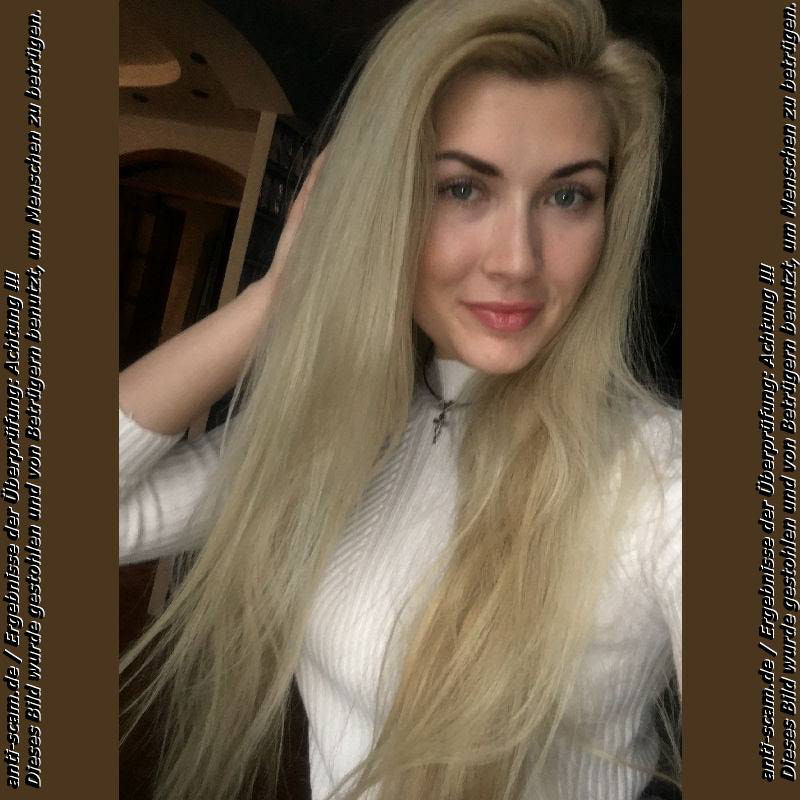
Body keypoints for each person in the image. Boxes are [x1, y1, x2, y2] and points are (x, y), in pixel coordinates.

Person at [119, 0, 681, 798]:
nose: (517, 261)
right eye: (462, 188)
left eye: (568, 197)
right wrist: (276, 299)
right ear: (386, 206)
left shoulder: (663, 474)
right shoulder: (343, 433)